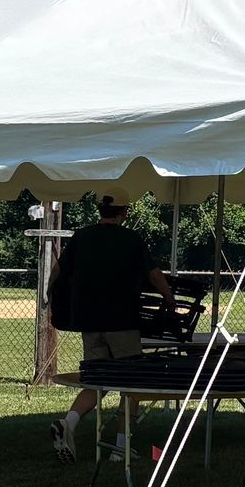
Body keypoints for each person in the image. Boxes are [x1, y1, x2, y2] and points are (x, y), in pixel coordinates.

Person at [48, 195, 175, 462]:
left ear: (100, 209)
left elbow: (58, 271)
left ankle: (69, 423)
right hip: (122, 322)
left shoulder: (81, 237)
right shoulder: (131, 239)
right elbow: (153, 274)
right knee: (131, 384)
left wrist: (54, 295)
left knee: (97, 380)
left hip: (90, 324)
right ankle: (120, 448)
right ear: (124, 211)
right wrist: (169, 297)